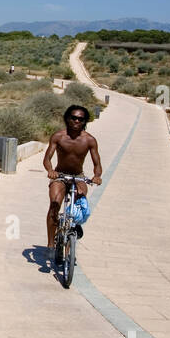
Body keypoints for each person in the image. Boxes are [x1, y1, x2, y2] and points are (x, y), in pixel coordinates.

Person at [43, 104, 102, 249]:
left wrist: (97, 176)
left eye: (80, 119)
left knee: (80, 206)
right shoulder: (58, 136)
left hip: (78, 176)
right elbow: (47, 158)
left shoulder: (90, 140)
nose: (76, 121)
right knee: (55, 204)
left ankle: (71, 241)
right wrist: (50, 170)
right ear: (67, 118)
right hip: (60, 175)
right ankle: (51, 244)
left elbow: (97, 163)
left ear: (85, 122)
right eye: (73, 118)